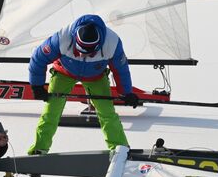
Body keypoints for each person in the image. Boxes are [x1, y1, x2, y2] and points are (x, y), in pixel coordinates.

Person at [27, 14, 139, 154]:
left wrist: (126, 93)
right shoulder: (63, 37)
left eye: (88, 53)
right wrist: (37, 85)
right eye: (79, 51)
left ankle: (120, 149)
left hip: (96, 76)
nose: (81, 56)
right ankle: (39, 149)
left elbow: (121, 69)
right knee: (51, 112)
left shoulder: (112, 42)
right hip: (64, 72)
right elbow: (38, 58)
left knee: (107, 113)